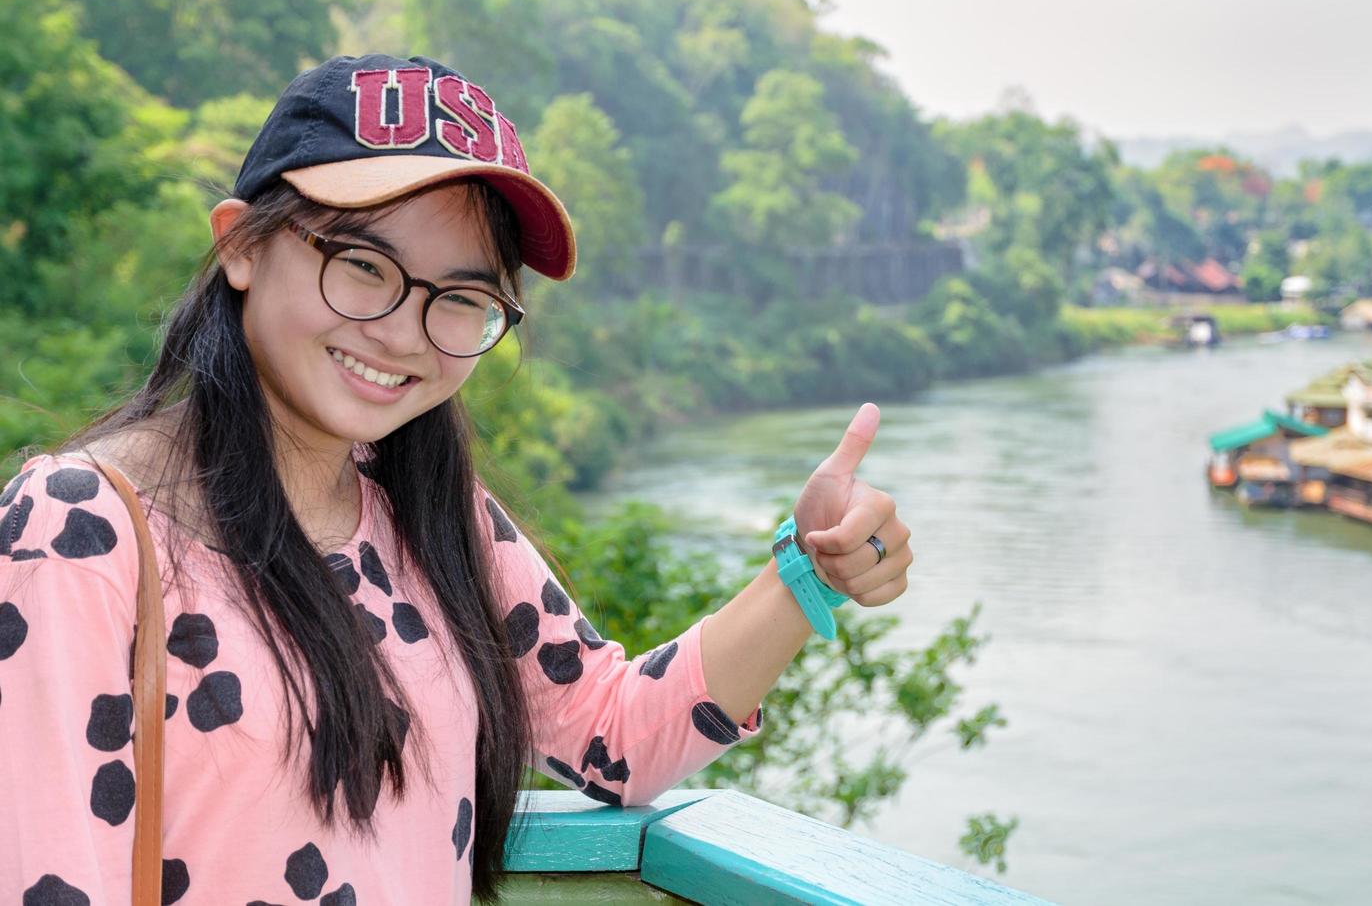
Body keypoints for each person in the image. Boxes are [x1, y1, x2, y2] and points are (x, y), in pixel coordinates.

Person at [0, 53, 913, 904]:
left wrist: (809, 574)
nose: (404, 332)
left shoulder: (432, 520)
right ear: (242, 245)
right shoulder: (82, 531)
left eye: (464, 298)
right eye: (362, 265)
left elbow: (618, 734)